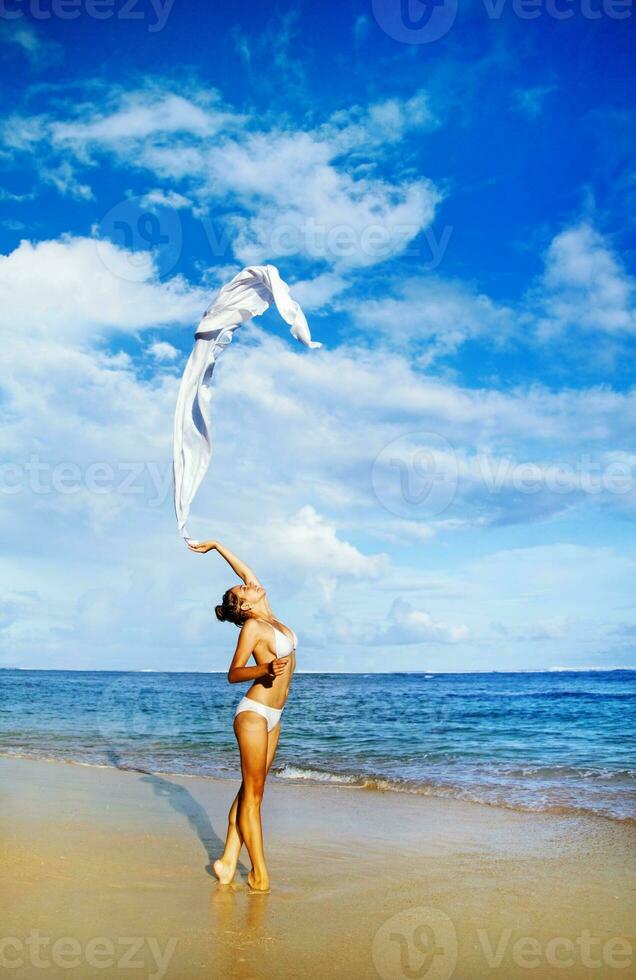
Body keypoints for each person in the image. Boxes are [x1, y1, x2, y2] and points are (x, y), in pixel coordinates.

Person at [187, 539, 297, 893]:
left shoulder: (270, 617)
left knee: (253, 792)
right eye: (244, 588)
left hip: (274, 715)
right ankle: (259, 874)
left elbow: (245, 570)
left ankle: (227, 862)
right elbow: (233, 673)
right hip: (253, 714)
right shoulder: (253, 628)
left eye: (246, 582)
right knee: (254, 794)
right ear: (246, 606)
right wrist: (262, 668)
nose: (249, 582)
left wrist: (217, 545)